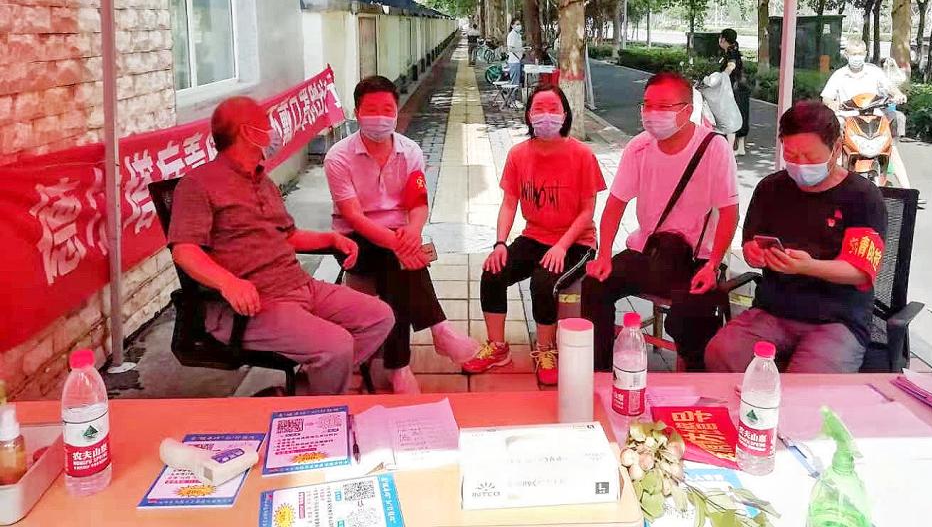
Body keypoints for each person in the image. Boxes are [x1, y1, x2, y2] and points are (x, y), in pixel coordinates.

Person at [168, 96, 394, 396]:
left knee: (379, 316)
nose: (273, 130)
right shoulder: (198, 184)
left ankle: (300, 395)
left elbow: (288, 236)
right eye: (266, 123)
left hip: (300, 285)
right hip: (254, 304)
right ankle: (317, 406)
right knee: (336, 346)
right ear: (247, 132)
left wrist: (330, 239)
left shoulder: (262, 180)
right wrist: (229, 283)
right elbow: (184, 250)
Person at [705, 100, 887, 373]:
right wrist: (754, 254)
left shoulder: (862, 197)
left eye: (810, 157)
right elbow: (751, 244)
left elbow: (860, 272)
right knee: (721, 353)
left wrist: (808, 266)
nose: (800, 164)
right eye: (791, 155)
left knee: (807, 383)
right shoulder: (771, 189)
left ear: (837, 149)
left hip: (836, 320)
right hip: (773, 311)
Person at [325, 76, 479, 394]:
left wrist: (413, 232)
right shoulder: (338, 157)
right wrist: (400, 244)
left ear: (396, 112)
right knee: (396, 260)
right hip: (353, 239)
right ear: (356, 112)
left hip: (398, 235)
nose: (380, 117)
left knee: (396, 272)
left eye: (387, 109)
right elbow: (353, 216)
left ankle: (400, 366)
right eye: (371, 110)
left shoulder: (410, 151)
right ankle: (438, 330)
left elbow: (418, 203)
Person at [582, 72, 740, 371]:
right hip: (649, 251)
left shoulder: (714, 147)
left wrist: (713, 264)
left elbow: (730, 213)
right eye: (647, 105)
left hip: (697, 259)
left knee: (691, 317)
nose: (652, 114)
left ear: (687, 110)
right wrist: (603, 255)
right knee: (594, 285)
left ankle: (693, 381)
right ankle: (599, 370)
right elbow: (615, 204)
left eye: (663, 107)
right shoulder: (639, 147)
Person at [462, 85, 606, 385]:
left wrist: (562, 246)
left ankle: (545, 349)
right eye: (539, 108)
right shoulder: (518, 154)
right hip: (534, 236)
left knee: (543, 281)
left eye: (553, 108)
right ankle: (497, 347)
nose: (546, 115)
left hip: (576, 242)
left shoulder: (582, 155)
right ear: (528, 115)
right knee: (493, 272)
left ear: (565, 114)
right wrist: (500, 244)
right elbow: (509, 203)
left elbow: (587, 212)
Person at [821, 38, 910, 187]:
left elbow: (890, 88)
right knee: (837, 141)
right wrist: (832, 103)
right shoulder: (839, 75)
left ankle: (907, 189)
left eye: (860, 54)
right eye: (853, 54)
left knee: (891, 147)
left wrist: (898, 94)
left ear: (865, 54)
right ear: (846, 54)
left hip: (875, 118)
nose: (857, 57)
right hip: (848, 118)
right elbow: (826, 97)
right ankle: (833, 184)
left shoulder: (874, 72)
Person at [719, 28, 750, 156]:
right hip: (741, 88)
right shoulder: (734, 50)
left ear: (723, 39)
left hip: (735, 89)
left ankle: (730, 148)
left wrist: (722, 76)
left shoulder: (731, 52)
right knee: (742, 115)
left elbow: (731, 66)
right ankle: (740, 147)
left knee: (732, 116)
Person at [506, 18, 525, 88]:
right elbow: (510, 48)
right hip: (514, 61)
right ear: (512, 25)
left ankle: (514, 94)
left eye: (519, 24)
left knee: (517, 81)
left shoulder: (517, 35)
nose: (519, 26)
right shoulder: (512, 35)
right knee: (514, 83)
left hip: (518, 60)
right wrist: (521, 49)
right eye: (517, 24)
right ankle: (512, 95)